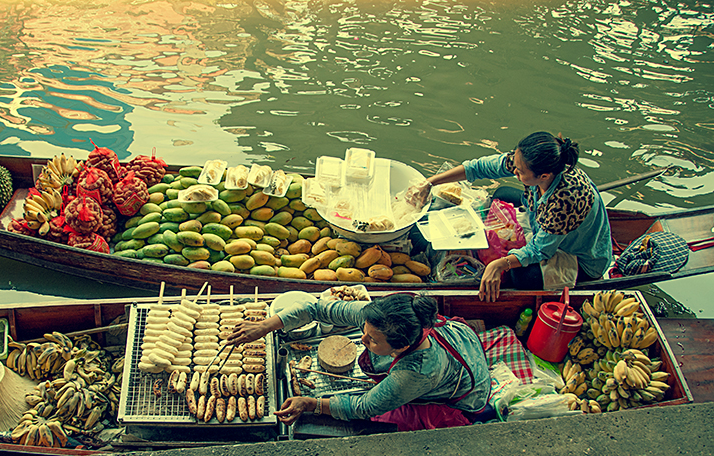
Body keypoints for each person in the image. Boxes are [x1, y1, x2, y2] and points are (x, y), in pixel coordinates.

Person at [226, 292, 493, 431]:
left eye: (373, 341)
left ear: (400, 347)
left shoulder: (418, 371)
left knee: (385, 417)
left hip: (460, 396)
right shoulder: (382, 317)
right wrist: (265, 325)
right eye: (363, 332)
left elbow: (364, 405)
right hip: (455, 346)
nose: (362, 340)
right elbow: (316, 309)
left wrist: (311, 403)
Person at [409, 131, 612, 301]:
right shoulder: (534, 163)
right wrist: (431, 182)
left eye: (520, 171)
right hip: (542, 223)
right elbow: (479, 167)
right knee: (502, 194)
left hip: (579, 257)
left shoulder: (566, 200)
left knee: (520, 274)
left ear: (544, 176)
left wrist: (498, 264)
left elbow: (541, 250)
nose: (514, 170)